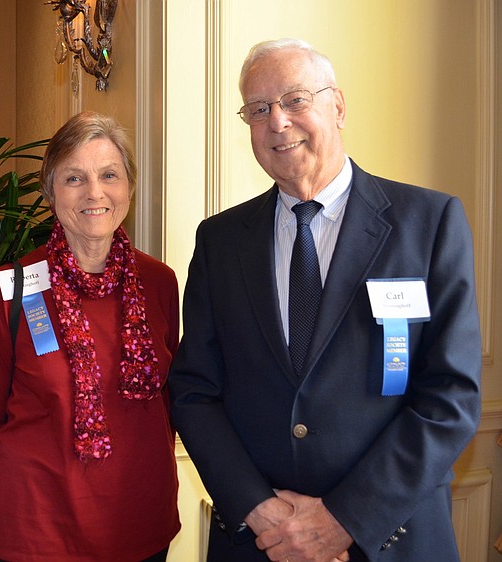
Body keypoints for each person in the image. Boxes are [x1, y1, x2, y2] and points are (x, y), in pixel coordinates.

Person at [168, 38, 482, 562]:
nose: (278, 122)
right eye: (259, 109)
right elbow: (195, 390)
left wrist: (344, 520)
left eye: (295, 100)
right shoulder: (220, 241)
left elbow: (450, 395)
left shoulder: (428, 224)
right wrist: (259, 510)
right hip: (259, 541)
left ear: (338, 106)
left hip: (390, 538)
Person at [0, 111, 180, 562]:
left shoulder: (159, 282)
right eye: (74, 178)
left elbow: (169, 407)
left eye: (109, 175)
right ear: (49, 192)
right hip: (34, 531)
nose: (95, 192)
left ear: (129, 187)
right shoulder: (14, 285)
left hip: (138, 522)